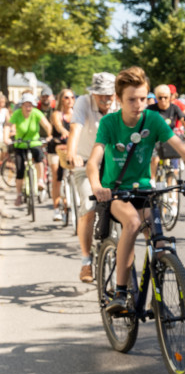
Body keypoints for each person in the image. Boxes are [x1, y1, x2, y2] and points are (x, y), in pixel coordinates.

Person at [86, 67, 185, 315]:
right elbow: (93, 161)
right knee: (132, 223)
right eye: (131, 99)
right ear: (119, 99)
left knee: (160, 243)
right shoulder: (110, 123)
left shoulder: (153, 120)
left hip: (145, 191)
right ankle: (121, 292)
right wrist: (97, 187)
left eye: (143, 99)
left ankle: (156, 296)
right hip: (116, 192)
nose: (138, 104)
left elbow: (183, 150)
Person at [67, 72, 118, 283]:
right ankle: (86, 261)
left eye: (110, 95)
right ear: (93, 94)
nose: (106, 100)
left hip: (114, 164)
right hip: (86, 161)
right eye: (101, 96)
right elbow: (75, 128)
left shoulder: (120, 104)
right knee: (89, 208)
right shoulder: (82, 102)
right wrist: (72, 152)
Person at [5, 93, 52, 207]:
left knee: (39, 158)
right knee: (20, 169)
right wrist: (6, 137)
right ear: (21, 106)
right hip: (20, 143)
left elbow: (47, 125)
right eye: (26, 105)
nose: (28, 108)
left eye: (30, 105)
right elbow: (8, 125)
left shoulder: (36, 113)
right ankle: (19, 195)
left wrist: (49, 135)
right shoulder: (17, 114)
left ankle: (40, 180)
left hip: (34, 142)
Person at [147, 84, 185, 184]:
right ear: (156, 98)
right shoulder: (150, 109)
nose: (163, 100)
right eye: (160, 97)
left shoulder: (175, 108)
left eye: (166, 97)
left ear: (170, 97)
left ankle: (172, 191)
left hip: (170, 139)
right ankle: (152, 180)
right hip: (155, 138)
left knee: (173, 167)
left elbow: (184, 120)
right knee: (155, 158)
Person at [47, 89, 76, 221]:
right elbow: (59, 126)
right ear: (61, 99)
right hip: (56, 148)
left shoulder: (76, 114)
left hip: (70, 148)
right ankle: (56, 208)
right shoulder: (57, 114)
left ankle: (74, 200)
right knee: (56, 176)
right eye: (66, 97)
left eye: (72, 97)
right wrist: (65, 131)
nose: (70, 100)